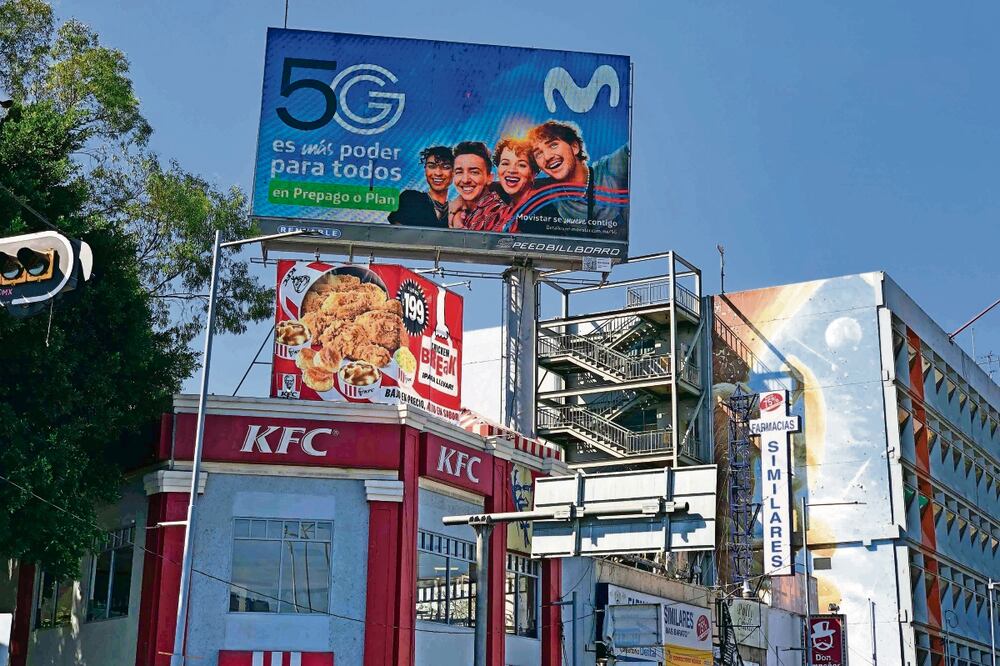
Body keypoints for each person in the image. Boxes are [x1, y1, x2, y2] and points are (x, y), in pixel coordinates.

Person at [518, 120, 629, 239]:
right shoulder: (546, 195)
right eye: (538, 154)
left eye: (553, 145)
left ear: (574, 147)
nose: (547, 157)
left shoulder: (608, 170)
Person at [464, 137, 538, 233]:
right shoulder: (493, 192)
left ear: (533, 174)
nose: (511, 170)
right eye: (505, 163)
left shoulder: (542, 208)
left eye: (521, 165)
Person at [387, 146, 453, 228]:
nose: (438, 173)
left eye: (445, 167)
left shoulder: (458, 210)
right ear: (425, 170)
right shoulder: (411, 199)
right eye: (431, 166)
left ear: (454, 172)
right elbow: (397, 234)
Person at [447, 141, 502, 230]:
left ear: (489, 178)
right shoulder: (457, 209)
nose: (465, 180)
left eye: (474, 172)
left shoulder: (499, 215)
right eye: (459, 172)